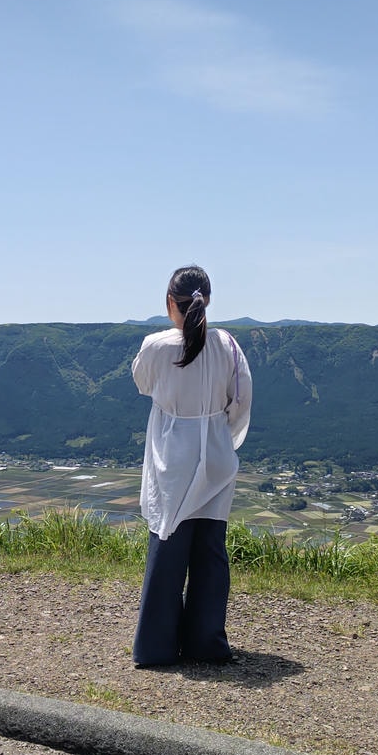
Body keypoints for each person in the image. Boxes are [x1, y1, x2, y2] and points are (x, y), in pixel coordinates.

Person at [130, 265, 252, 667]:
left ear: (170, 303)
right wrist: (219, 434)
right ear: (209, 300)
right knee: (210, 550)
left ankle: (156, 647)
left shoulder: (156, 346)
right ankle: (205, 643)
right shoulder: (228, 346)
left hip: (172, 456)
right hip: (216, 451)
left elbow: (143, 384)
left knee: (167, 547)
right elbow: (241, 401)